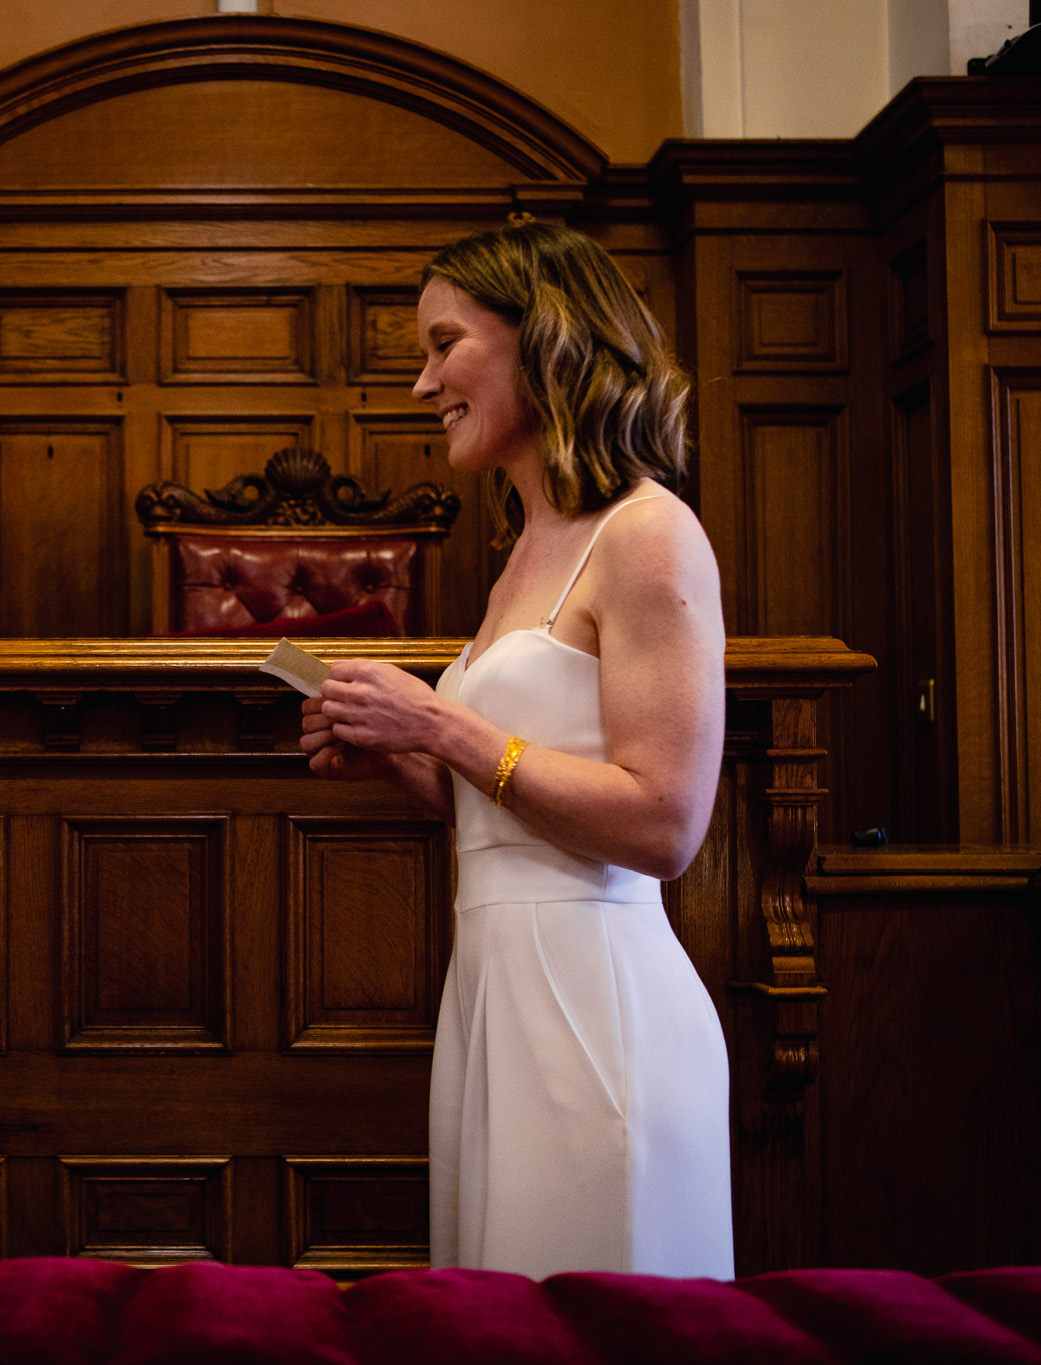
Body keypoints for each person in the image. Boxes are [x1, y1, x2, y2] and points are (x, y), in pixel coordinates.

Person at [300, 220, 734, 1278]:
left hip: (597, 997)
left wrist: (441, 723)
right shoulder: (523, 551)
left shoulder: (644, 531)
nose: (420, 386)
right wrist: (398, 752)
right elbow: (510, 802)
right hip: (495, 992)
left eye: (442, 346)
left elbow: (663, 824)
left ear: (544, 339)